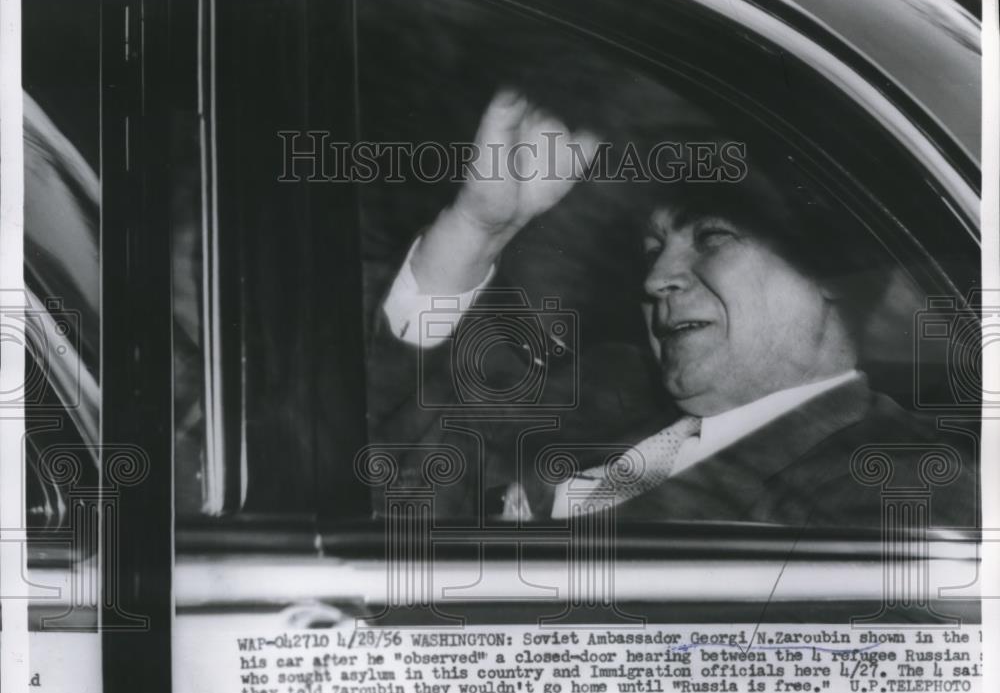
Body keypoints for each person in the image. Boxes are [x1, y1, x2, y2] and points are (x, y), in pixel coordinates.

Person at [365, 90, 976, 529]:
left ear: (831, 272)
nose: (656, 278)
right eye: (653, 248)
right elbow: (375, 472)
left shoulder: (906, 484)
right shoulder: (601, 390)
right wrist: (477, 231)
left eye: (712, 236)